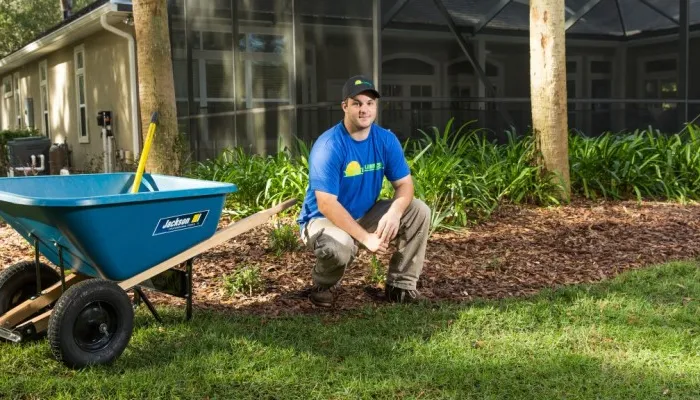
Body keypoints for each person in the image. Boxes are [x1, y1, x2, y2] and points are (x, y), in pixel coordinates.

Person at [296, 75, 431, 307]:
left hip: (364, 213)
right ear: (345, 106)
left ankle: (401, 286)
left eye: (370, 103)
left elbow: (405, 184)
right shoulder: (329, 146)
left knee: (418, 210)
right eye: (357, 103)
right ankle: (323, 285)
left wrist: (395, 212)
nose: (364, 109)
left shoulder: (385, 140)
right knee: (338, 248)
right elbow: (326, 204)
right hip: (323, 219)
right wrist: (366, 238)